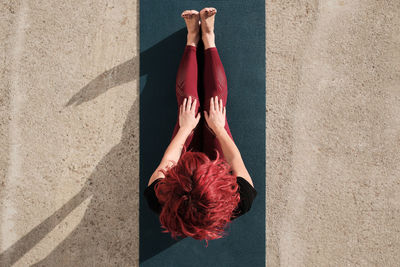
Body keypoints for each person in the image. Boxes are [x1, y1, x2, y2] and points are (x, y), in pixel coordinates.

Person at [144, 7, 257, 247]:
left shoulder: (160, 199)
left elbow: (166, 164)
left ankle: (192, 39)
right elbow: (236, 161)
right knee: (216, 104)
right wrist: (219, 129)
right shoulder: (241, 200)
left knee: (189, 106)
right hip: (212, 167)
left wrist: (185, 128)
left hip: (194, 169)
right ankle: (209, 37)